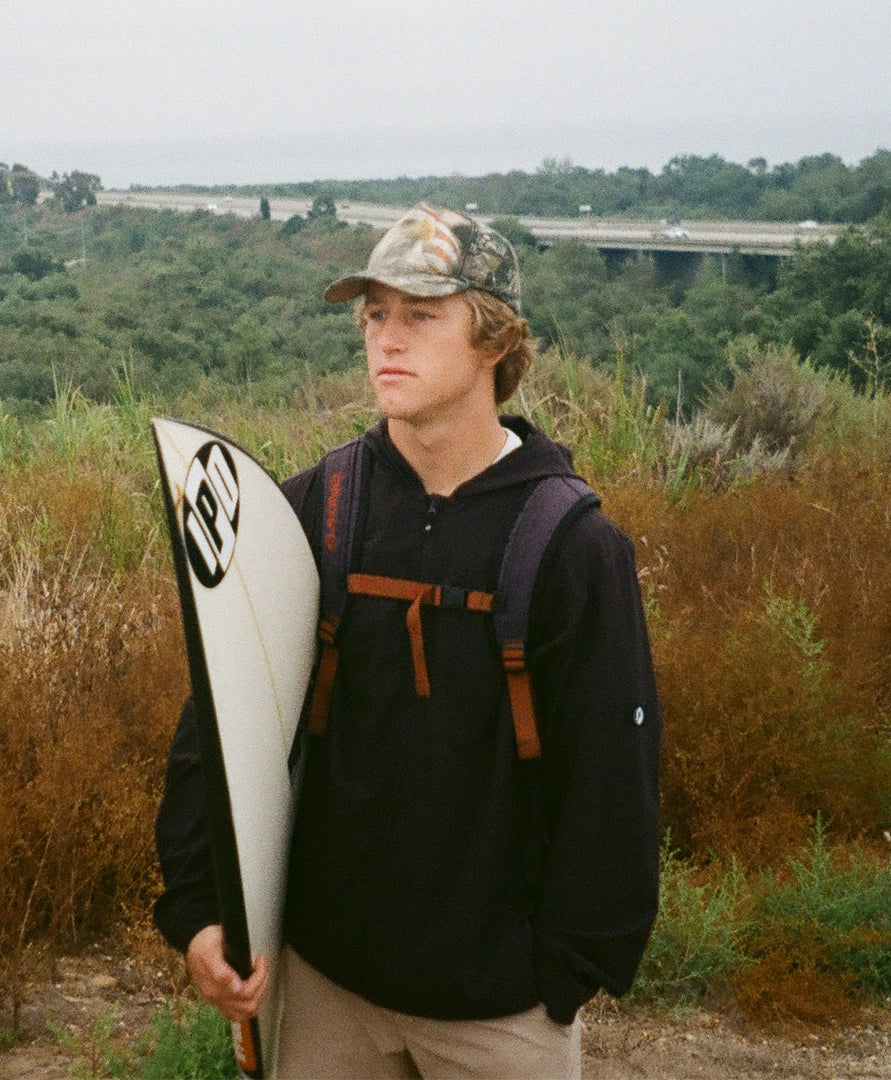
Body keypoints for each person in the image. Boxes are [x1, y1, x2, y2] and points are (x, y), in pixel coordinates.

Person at [154, 202, 662, 1079]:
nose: (388, 338)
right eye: (375, 314)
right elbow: (224, 716)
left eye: (423, 315)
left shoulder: (571, 545)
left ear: (495, 340)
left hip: (499, 1010)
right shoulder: (316, 508)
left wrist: (560, 979)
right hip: (323, 988)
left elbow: (614, 777)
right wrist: (203, 911)